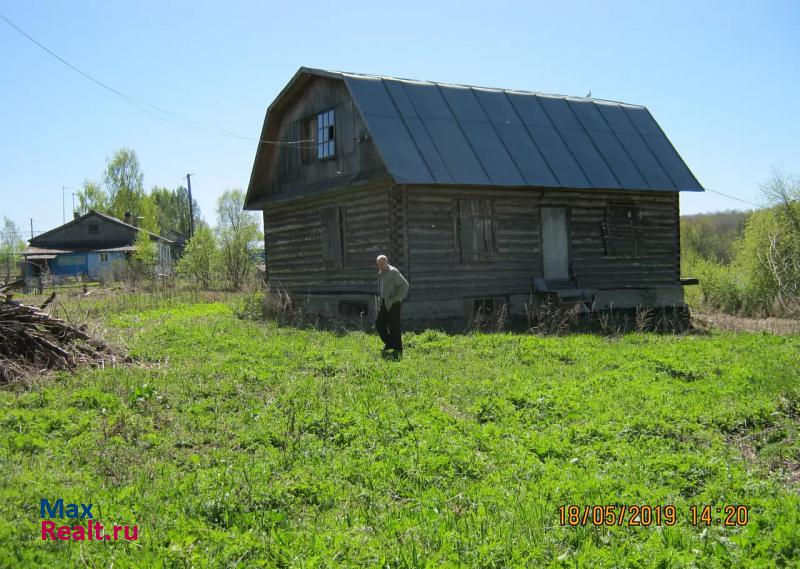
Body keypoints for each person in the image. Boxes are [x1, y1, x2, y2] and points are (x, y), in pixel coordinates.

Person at [375, 254, 409, 357]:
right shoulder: (381, 272)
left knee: (394, 327)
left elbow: (405, 285)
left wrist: (396, 298)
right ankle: (390, 343)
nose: (380, 265)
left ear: (386, 262)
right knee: (379, 324)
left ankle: (398, 348)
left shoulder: (393, 272)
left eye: (382, 263)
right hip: (384, 303)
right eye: (378, 264)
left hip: (394, 303)